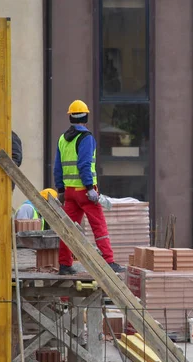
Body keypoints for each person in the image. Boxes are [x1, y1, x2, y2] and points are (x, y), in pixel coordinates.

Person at [54, 100, 124, 275]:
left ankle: (64, 265)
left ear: (70, 117)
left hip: (69, 192)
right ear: (86, 116)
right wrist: (89, 188)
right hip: (85, 192)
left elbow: (57, 167)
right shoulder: (86, 138)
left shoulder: (63, 139)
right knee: (98, 225)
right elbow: (84, 164)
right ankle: (108, 261)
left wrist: (61, 190)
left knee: (68, 228)